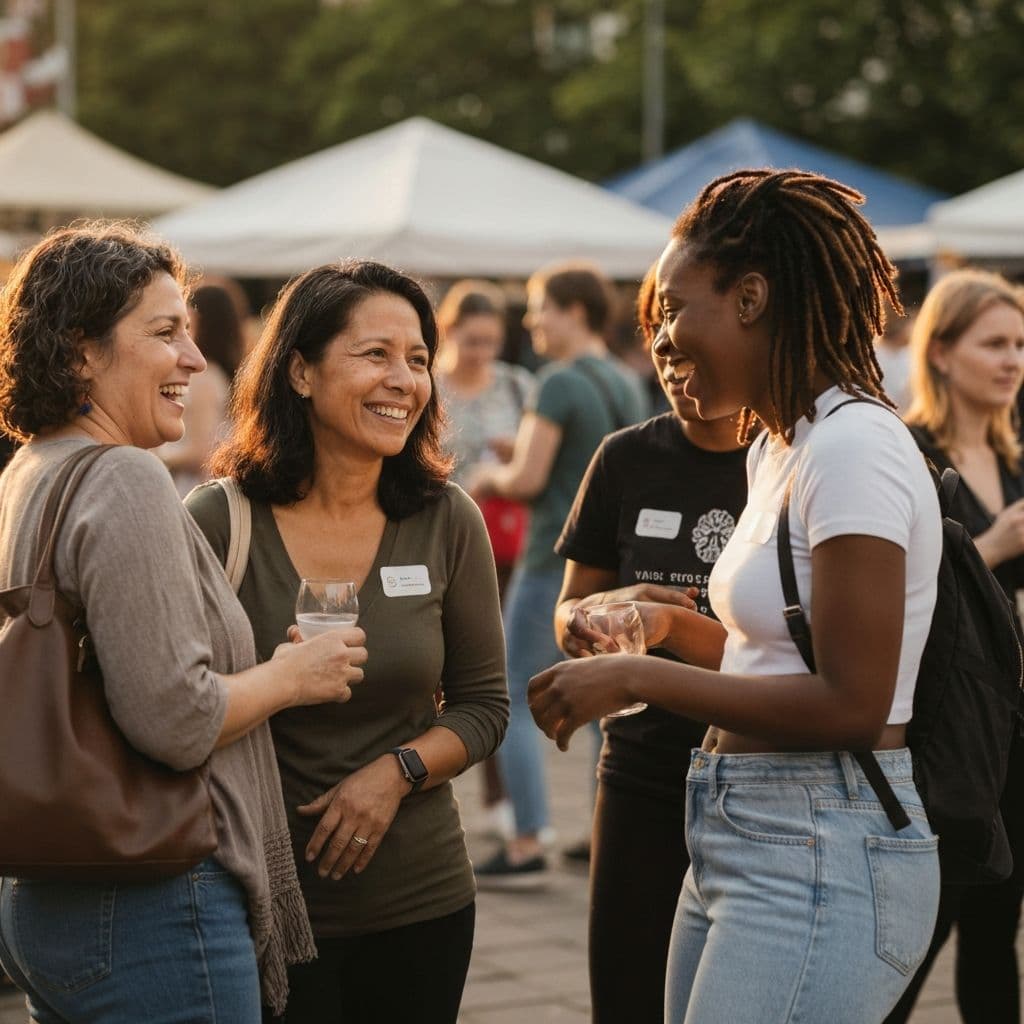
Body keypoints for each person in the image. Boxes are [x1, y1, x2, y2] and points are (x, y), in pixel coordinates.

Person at [529, 169, 944, 1023]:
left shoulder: (854, 446)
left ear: (751, 296)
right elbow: (777, 662)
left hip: (823, 840)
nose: (662, 337)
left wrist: (638, 678)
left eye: (675, 308)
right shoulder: (780, 448)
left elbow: (853, 704)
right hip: (741, 830)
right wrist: (670, 626)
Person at [0, 223, 367, 1023]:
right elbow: (175, 719)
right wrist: (289, 676)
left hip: (48, 895)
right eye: (165, 333)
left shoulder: (31, 469)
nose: (195, 362)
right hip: (151, 901)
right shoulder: (125, 478)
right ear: (79, 353)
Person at [185, 260, 509, 1024]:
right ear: (299, 370)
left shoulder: (446, 518)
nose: (405, 379)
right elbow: (172, 707)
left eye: (419, 359)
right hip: (253, 902)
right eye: (376, 355)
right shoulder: (218, 521)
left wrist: (395, 773)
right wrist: (280, 679)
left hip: (421, 902)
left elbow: (485, 707)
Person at [554, 263, 748, 1023]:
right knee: (626, 997)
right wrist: (606, 611)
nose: (671, 354)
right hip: (638, 767)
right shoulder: (625, 456)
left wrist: (669, 629)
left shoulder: (787, 464)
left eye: (686, 338)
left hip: (753, 775)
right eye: (658, 338)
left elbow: (791, 661)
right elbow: (568, 613)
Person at [469, 262, 647, 886]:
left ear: (574, 311)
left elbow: (528, 481)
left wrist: (485, 478)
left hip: (554, 560)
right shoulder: (625, 381)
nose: (530, 320)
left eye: (540, 306)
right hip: (617, 567)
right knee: (607, 700)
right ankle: (607, 837)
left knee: (513, 694)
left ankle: (524, 842)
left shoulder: (557, 382)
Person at [885, 269, 1024, 1024]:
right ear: (939, 352)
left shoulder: (1014, 459)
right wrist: (992, 548)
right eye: (993, 343)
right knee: (915, 930)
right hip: (941, 728)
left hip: (1013, 725)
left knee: (998, 930)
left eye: (1021, 345)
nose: (1012, 361)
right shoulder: (907, 453)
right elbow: (891, 593)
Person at [436, 280, 534, 841]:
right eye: (472, 341)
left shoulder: (519, 385)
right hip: (440, 539)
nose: (482, 353)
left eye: (491, 342)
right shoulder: (428, 385)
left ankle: (500, 798)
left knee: (488, 668)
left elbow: (544, 457)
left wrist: (514, 455)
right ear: (449, 333)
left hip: (504, 544)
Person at [159, 281, 245, 496]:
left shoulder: (203, 378)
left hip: (194, 486)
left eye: (188, 325)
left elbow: (201, 451)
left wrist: (156, 458)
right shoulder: (226, 373)